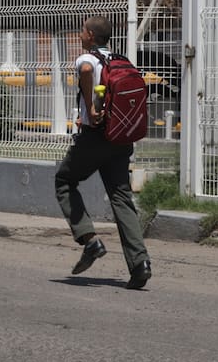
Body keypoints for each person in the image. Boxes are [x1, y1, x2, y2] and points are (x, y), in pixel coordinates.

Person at [57, 15, 152, 289]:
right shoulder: (120, 60)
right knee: (121, 196)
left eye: (82, 31)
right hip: (122, 138)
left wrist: (91, 106)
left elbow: (86, 71)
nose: (79, 34)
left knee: (64, 181)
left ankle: (89, 240)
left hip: (96, 137)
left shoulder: (87, 58)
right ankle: (140, 263)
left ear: (90, 35)